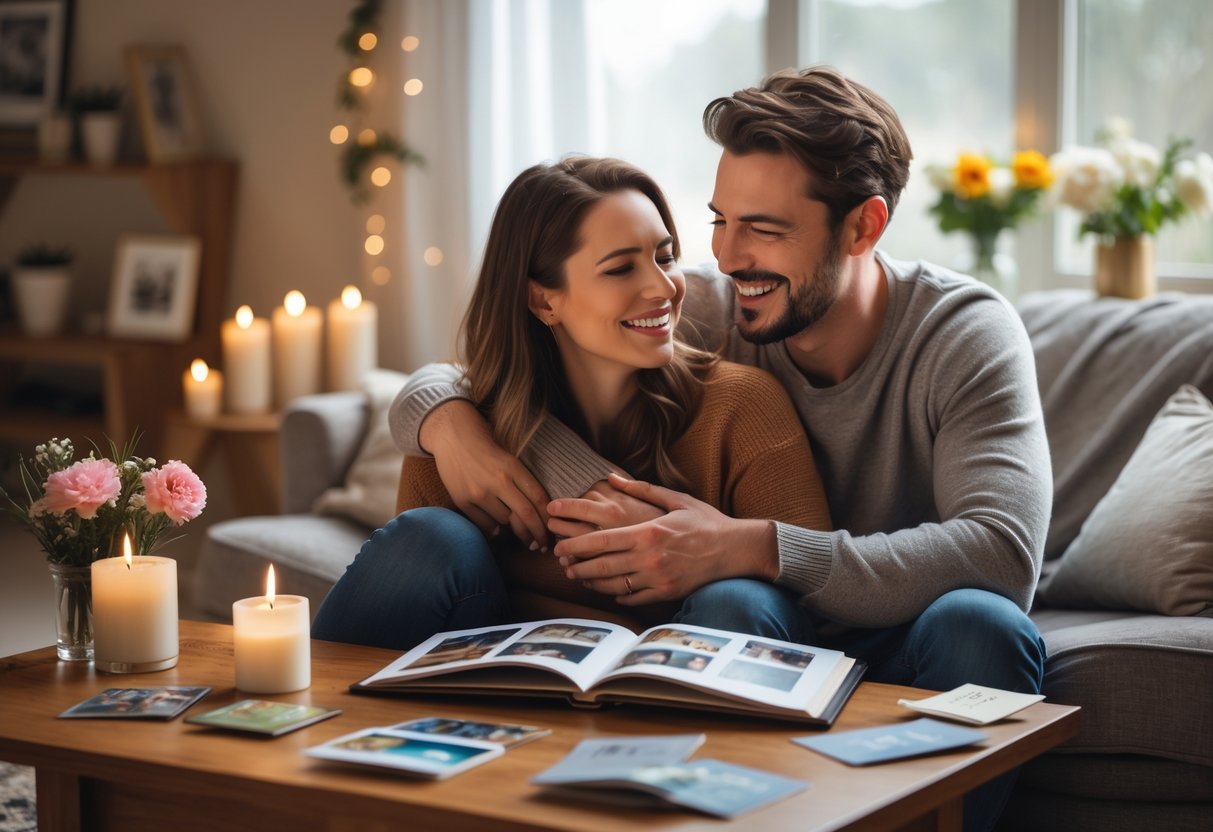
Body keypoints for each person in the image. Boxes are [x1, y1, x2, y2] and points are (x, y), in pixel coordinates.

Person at [392, 67, 1050, 832]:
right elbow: (500, 359)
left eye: (763, 229)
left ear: (862, 227)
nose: (727, 256)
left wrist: (750, 545)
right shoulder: (708, 304)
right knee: (728, 604)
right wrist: (447, 421)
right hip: (765, 626)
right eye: (719, 220)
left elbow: (1001, 553)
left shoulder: (964, 335)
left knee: (980, 624)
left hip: (902, 633)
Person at [311, 156, 831, 651]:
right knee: (428, 537)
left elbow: (808, 592)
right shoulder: (463, 432)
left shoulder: (741, 406)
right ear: (544, 300)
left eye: (664, 256)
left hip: (687, 675)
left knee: (739, 599)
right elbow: (426, 590)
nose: (665, 287)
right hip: (507, 674)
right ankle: (310, 724)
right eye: (620, 269)